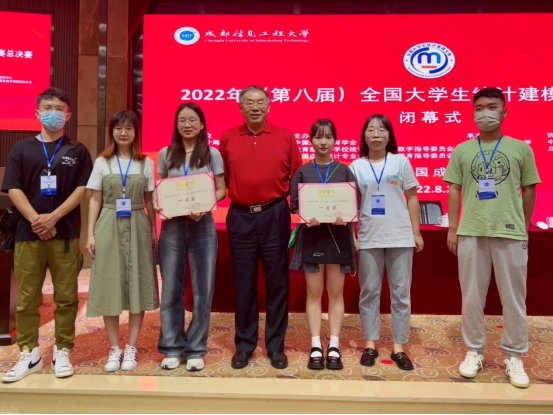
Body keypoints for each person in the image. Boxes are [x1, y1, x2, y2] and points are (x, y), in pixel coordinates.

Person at [444, 87, 541, 389]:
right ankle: (474, 350)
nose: (485, 112)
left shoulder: (520, 149)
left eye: (492, 106)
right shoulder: (462, 150)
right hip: (471, 231)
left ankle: (514, 354)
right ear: (473, 113)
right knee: (472, 297)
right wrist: (453, 227)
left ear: (504, 112)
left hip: (509, 232)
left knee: (514, 299)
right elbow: (455, 189)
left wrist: (523, 225)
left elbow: (529, 189)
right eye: (479, 108)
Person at [1, 88, 93, 383]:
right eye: (48, 107)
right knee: (27, 298)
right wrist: (36, 220)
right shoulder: (21, 149)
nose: (54, 113)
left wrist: (53, 217)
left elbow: (82, 189)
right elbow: (13, 188)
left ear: (68, 115)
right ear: (37, 113)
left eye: (59, 108)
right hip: (28, 234)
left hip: (65, 233)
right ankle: (29, 353)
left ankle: (62, 349)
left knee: (66, 297)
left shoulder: (77, 150)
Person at [220, 85, 302, 370]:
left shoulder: (285, 135)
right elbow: (222, 178)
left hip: (274, 214)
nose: (255, 107)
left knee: (277, 282)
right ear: (240, 107)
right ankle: (244, 345)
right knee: (243, 284)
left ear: (269, 106)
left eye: (260, 102)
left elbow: (296, 177)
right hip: (240, 216)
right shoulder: (228, 137)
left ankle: (275, 346)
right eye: (249, 102)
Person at [86, 110, 159, 373]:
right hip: (108, 222)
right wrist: (90, 234)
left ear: (136, 132)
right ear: (112, 132)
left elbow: (150, 199)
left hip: (139, 222)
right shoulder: (102, 162)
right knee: (110, 282)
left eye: (129, 128)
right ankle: (115, 347)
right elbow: (95, 198)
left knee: (138, 282)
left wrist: (153, 230)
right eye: (118, 128)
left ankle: (132, 346)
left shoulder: (146, 163)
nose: (124, 132)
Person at [155, 103, 226, 372]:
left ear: (202, 124)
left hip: (202, 223)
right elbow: (160, 187)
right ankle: (172, 347)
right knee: (171, 287)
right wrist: (158, 202)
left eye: (193, 120)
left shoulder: (212, 153)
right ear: (176, 124)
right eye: (182, 120)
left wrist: (206, 204)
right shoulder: (166, 153)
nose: (187, 125)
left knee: (202, 287)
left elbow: (221, 189)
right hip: (172, 225)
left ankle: (196, 348)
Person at [350, 114, 423, 371]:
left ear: (389, 135)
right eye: (370, 130)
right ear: (364, 136)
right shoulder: (356, 166)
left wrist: (416, 232)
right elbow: (350, 204)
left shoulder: (400, 161)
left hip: (400, 235)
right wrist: (352, 236)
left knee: (401, 293)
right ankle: (370, 343)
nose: (376, 134)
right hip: (369, 236)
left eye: (381, 130)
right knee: (369, 291)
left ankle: (398, 346)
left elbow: (412, 197)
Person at [290, 119, 358, 371]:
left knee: (336, 293)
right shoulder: (303, 172)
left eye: (328, 137)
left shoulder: (344, 171)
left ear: (334, 141)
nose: (323, 142)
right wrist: (307, 214)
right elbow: (295, 206)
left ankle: (335, 344)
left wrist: (349, 225)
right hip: (312, 238)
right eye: (318, 137)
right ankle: (316, 344)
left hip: (339, 238)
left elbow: (353, 205)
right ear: (311, 140)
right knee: (314, 292)